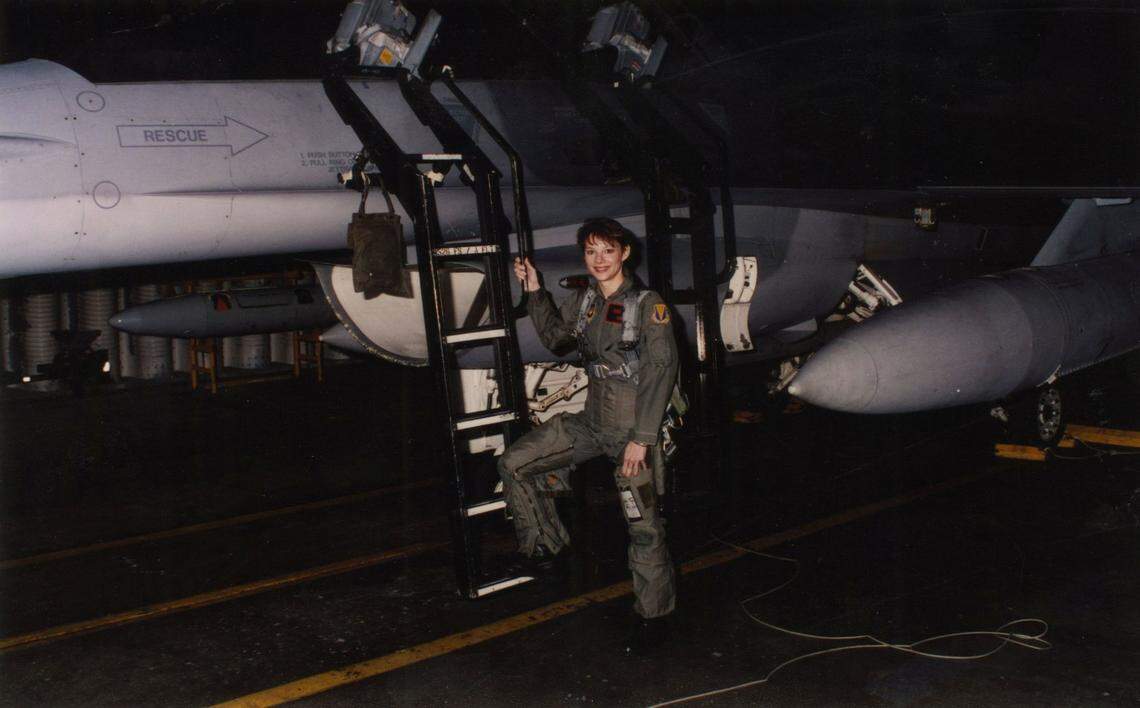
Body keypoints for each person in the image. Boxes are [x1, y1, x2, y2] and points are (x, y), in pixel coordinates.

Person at [499, 217, 679, 653]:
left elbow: (662, 370)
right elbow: (558, 339)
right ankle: (547, 547)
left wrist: (642, 438)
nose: (599, 260)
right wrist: (535, 289)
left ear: (625, 253)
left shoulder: (647, 305)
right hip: (592, 423)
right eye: (591, 252)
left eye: (607, 251)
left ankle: (655, 616)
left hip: (634, 433)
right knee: (515, 463)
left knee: (644, 527)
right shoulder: (586, 303)